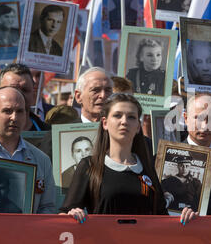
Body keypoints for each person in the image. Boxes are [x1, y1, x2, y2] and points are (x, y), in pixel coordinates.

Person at [60, 93, 197, 223]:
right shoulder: (90, 165)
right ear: (105, 123)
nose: (124, 121)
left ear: (138, 126)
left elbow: (162, 216)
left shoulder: (147, 167)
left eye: (131, 117)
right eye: (117, 115)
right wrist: (71, 215)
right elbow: (64, 215)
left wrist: (185, 216)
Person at [0, 87, 56, 213]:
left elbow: (48, 207)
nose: (14, 117)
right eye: (7, 111)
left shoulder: (41, 160)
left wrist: (30, 226)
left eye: (20, 111)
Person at [0, 63, 50, 131]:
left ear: (32, 92)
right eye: (13, 90)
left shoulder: (49, 134)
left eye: (25, 90)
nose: (19, 95)